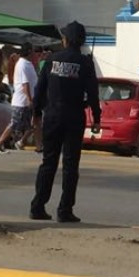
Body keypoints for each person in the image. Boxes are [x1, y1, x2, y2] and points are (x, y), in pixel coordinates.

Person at [29, 22, 101, 223]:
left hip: (52, 116)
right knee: (70, 165)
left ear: (65, 39)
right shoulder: (85, 63)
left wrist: (36, 111)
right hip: (74, 117)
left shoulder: (52, 59)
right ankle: (65, 210)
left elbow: (40, 88)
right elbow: (93, 94)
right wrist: (97, 118)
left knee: (48, 163)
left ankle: (37, 206)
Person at [0, 44, 37, 154]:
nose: (34, 54)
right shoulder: (22, 64)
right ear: (29, 52)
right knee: (15, 123)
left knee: (32, 124)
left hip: (27, 101)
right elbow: (25, 84)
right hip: (21, 101)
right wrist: (29, 99)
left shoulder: (28, 64)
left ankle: (22, 142)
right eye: (33, 52)